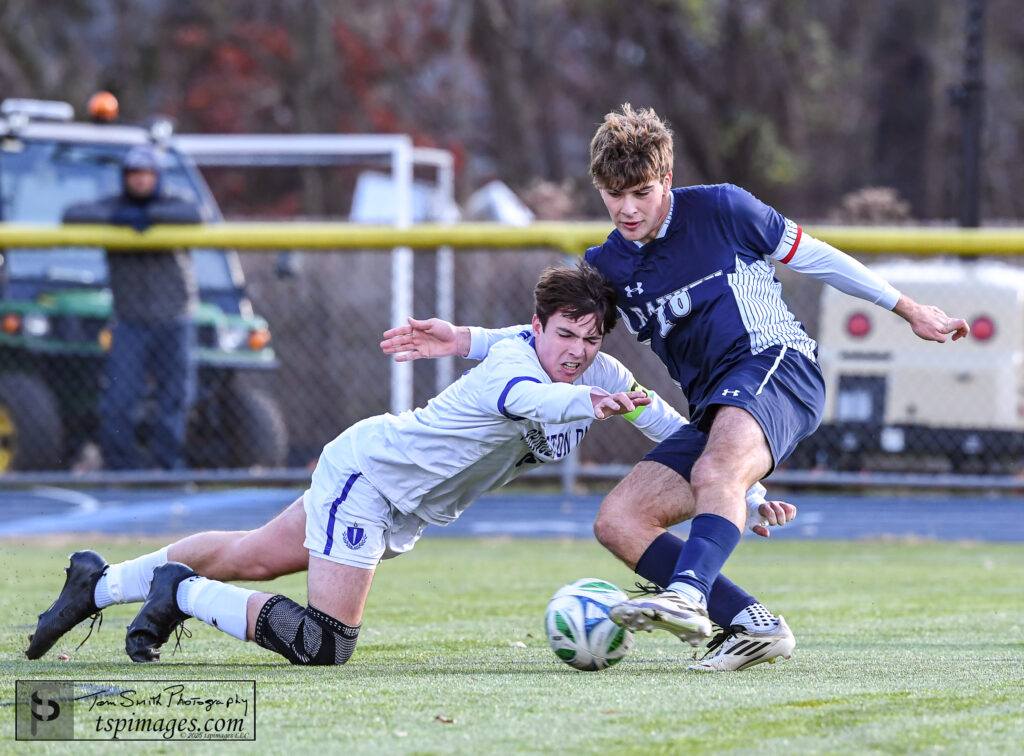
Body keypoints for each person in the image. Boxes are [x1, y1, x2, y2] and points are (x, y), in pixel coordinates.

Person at [380, 104, 969, 671]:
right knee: (620, 520)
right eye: (613, 194)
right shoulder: (607, 264)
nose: (627, 208)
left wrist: (908, 308)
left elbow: (816, 257)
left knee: (716, 470)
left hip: (777, 365)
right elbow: (559, 333)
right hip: (717, 405)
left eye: (641, 192)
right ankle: (753, 625)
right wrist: (465, 339)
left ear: (666, 179)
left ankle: (687, 595)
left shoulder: (723, 208)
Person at [24, 262, 793, 667]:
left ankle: (97, 583)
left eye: (591, 340)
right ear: (537, 326)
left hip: (393, 498)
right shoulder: (519, 370)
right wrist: (583, 403)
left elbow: (675, 430)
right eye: (565, 334)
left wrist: (746, 491)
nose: (577, 350)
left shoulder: (595, 372)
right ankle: (183, 594)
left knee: (252, 557)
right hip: (370, 480)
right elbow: (529, 399)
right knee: (325, 644)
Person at [63, 145, 202, 470]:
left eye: (146, 174)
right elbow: (72, 214)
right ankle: (121, 468)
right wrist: (120, 219)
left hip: (174, 317)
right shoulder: (114, 205)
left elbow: (195, 215)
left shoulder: (174, 201)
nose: (139, 181)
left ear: (158, 177)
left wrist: (149, 216)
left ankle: (168, 467)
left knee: (175, 398)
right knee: (119, 398)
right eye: (133, 174)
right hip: (130, 320)